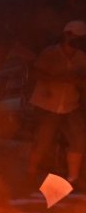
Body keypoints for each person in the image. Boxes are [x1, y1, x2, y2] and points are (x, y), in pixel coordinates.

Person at [27, 20, 86, 187]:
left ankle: (72, 180)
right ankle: (31, 175)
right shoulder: (50, 53)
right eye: (75, 35)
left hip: (70, 106)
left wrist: (77, 80)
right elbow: (37, 74)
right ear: (66, 35)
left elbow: (83, 81)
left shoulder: (82, 57)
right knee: (43, 142)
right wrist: (58, 79)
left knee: (79, 140)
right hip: (48, 106)